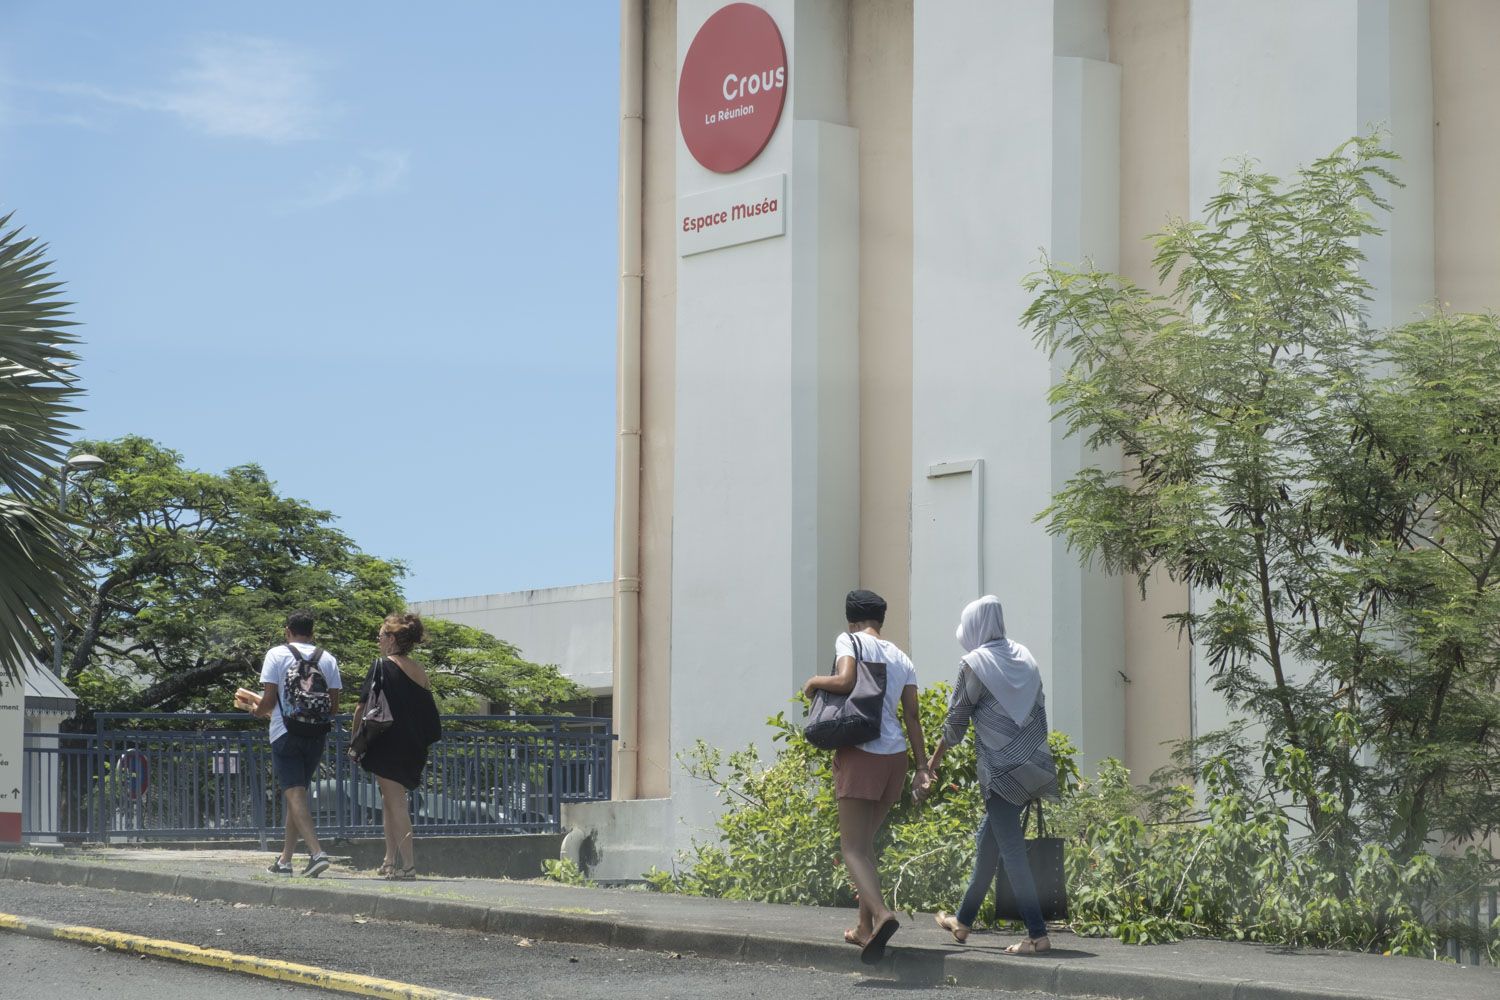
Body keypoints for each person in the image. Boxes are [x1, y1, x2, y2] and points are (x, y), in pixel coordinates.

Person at [917, 595, 1058, 954]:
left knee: (1011, 852)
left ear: (976, 627)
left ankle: (1037, 934)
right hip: (1033, 764)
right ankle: (962, 923)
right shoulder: (1024, 656)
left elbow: (956, 722)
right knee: (988, 844)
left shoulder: (976, 664)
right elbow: (1039, 709)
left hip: (1001, 772)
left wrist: (930, 766)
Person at [802, 589, 930, 965]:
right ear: (881, 619)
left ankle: (883, 914)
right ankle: (863, 928)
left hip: (862, 755)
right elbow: (912, 716)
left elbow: (843, 681)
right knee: (866, 846)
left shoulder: (850, 640)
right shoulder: (902, 656)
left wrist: (814, 681)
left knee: (852, 848)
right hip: (895, 760)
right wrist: (923, 767)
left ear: (852, 620)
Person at [250, 609, 342, 877]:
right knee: (297, 794)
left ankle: (317, 853)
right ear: (312, 633)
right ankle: (285, 861)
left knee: (294, 793)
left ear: (287, 631)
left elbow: (268, 701)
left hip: (285, 732)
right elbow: (333, 707)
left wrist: (255, 710)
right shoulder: (328, 659)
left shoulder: (276, 654)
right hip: (316, 734)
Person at [351, 612, 441, 880]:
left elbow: (361, 707)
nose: (378, 640)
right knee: (389, 802)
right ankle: (389, 860)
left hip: (387, 742)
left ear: (391, 639)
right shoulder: (420, 670)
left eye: (380, 636)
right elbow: (427, 711)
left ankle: (409, 866)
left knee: (396, 804)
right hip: (412, 744)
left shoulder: (381, 665)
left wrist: (355, 739)